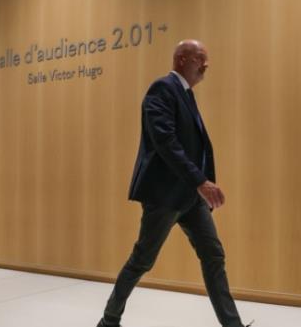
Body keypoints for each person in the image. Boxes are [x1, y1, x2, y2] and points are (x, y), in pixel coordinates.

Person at [97, 40, 250, 327]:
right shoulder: (162, 89)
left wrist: (199, 184)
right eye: (200, 58)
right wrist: (201, 181)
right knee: (142, 259)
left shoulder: (186, 94)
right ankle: (108, 320)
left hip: (190, 197)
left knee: (213, 255)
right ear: (182, 59)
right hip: (165, 195)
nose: (206, 65)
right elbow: (165, 141)